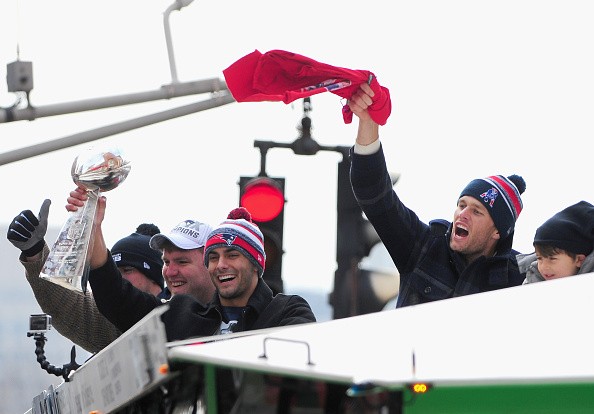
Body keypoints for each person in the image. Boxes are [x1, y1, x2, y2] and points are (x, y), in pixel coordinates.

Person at [347, 83, 527, 308]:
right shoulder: (423, 246)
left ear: (498, 231)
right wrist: (368, 121)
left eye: (477, 211)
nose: (463, 214)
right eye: (462, 205)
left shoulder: (521, 279)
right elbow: (374, 195)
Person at [6, 199, 168, 353]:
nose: (116, 278)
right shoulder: (110, 322)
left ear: (155, 277)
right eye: (114, 271)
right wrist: (34, 250)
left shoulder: (180, 313)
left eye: (128, 270)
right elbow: (67, 305)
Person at [519, 200, 594, 283]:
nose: (544, 267)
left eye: (552, 259)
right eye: (539, 258)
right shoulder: (532, 281)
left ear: (579, 260)